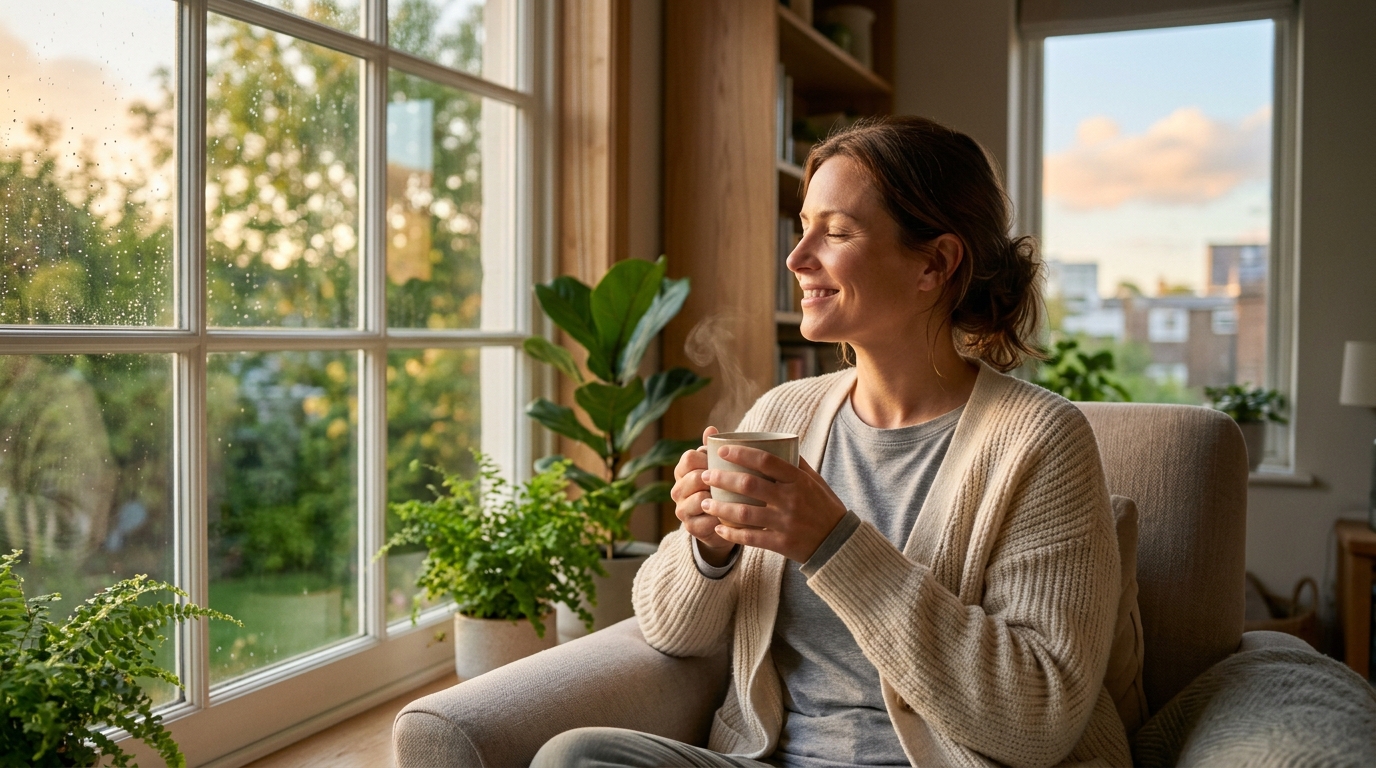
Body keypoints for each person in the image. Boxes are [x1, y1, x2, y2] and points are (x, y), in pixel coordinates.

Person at [532, 116, 1129, 767]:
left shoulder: (1039, 440)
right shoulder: (786, 411)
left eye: (837, 232)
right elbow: (671, 631)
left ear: (935, 262)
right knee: (577, 757)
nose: (797, 257)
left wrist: (834, 544)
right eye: (803, 227)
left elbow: (1037, 718)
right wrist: (707, 548)